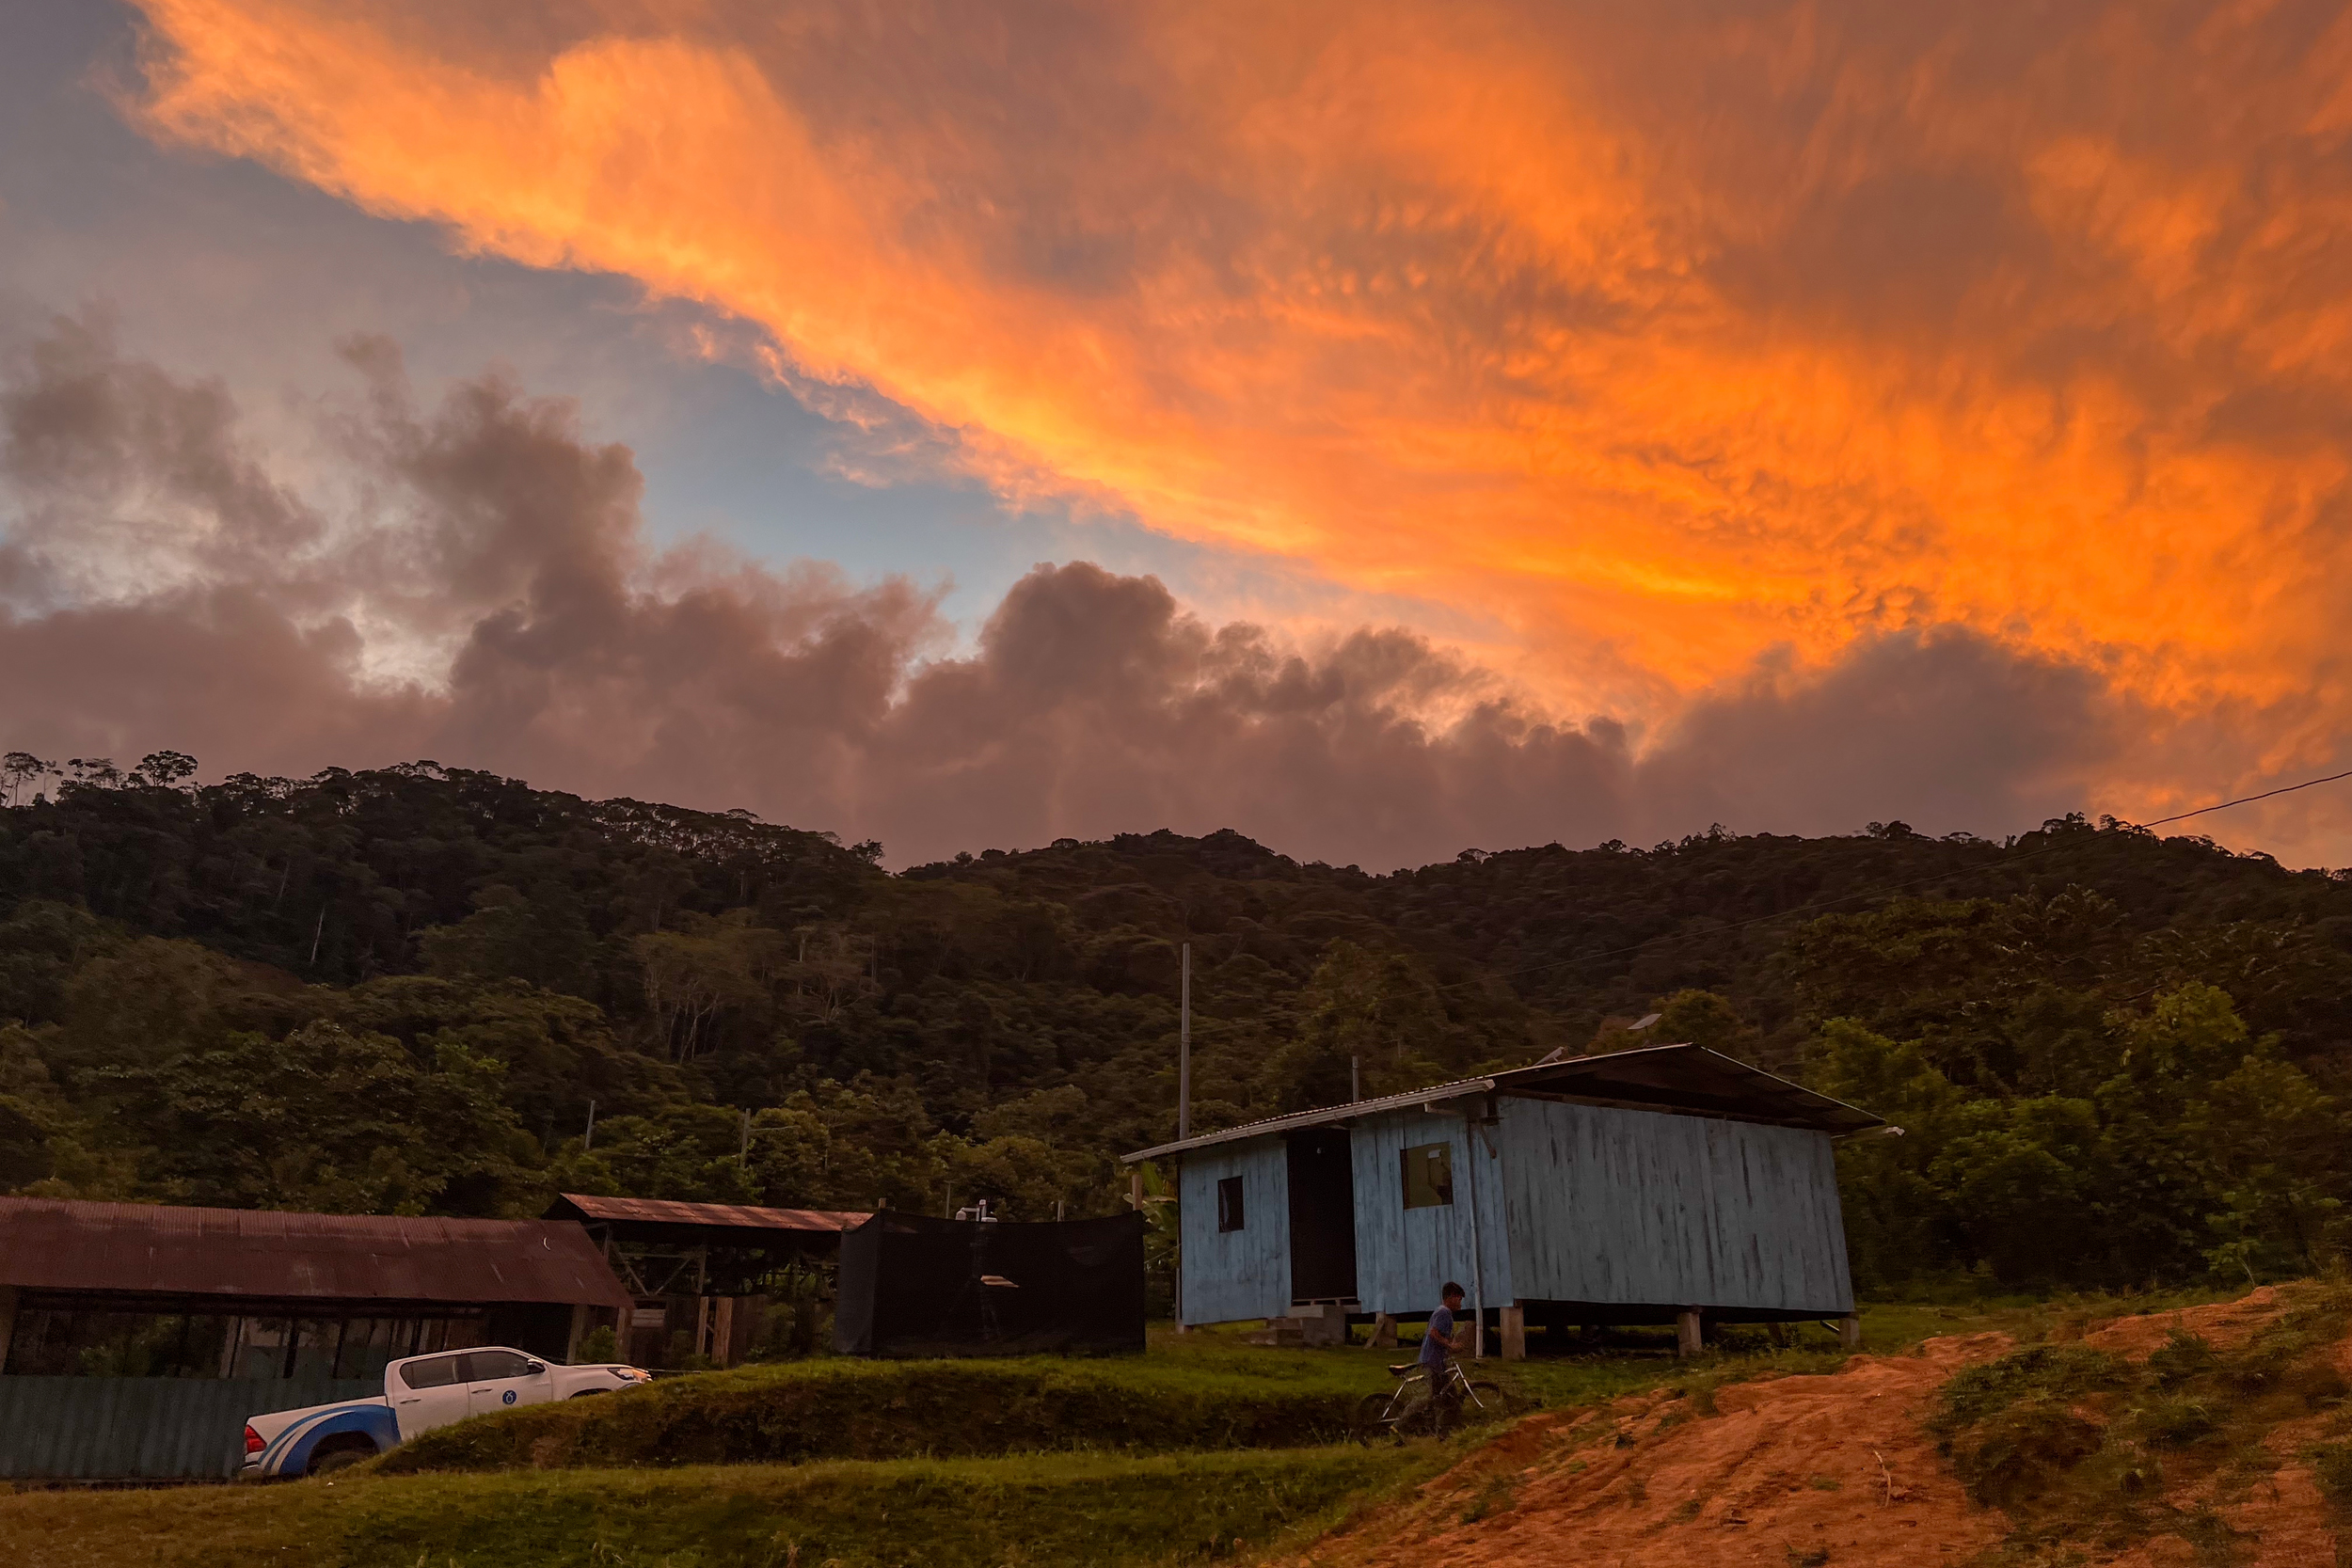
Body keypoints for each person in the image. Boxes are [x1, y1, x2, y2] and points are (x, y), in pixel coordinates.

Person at [1419, 1281, 1473, 1418]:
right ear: (1452, 1297)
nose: (1460, 1303)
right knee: (1446, 1395)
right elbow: (1433, 1333)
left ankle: (1433, 1423)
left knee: (1441, 1395)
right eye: (1459, 1299)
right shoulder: (1444, 1312)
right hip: (1434, 1361)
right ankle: (1409, 1422)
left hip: (1435, 1361)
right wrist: (1450, 1346)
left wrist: (1451, 1346)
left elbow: (1438, 1336)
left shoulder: (1441, 1311)